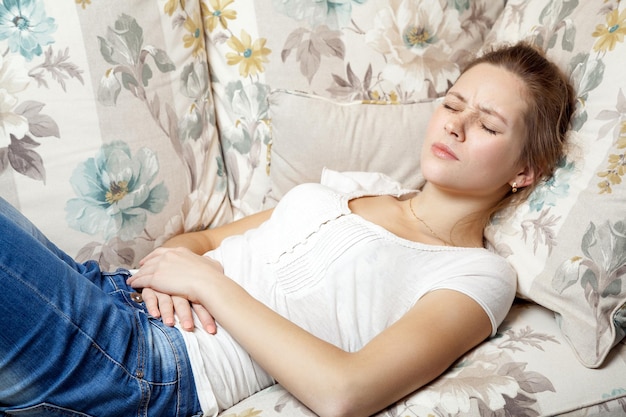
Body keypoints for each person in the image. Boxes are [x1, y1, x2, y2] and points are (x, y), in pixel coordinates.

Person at [0, 41, 575, 417]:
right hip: (114, 295)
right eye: (453, 104)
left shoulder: (480, 273)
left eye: (488, 124)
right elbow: (198, 244)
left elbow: (343, 392)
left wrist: (207, 285)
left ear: (525, 171)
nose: (456, 125)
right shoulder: (360, 183)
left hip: (152, 362)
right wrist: (167, 278)